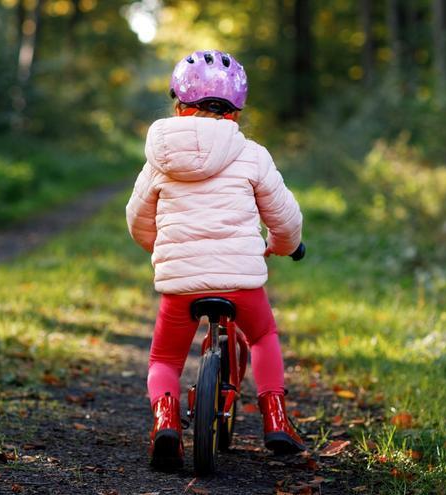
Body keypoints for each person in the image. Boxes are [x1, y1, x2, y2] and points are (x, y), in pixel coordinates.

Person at [126, 49, 305, 471]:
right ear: (236, 111)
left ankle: (165, 423)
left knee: (164, 360)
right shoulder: (252, 154)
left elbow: (137, 219)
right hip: (241, 283)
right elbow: (284, 216)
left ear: (178, 105)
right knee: (261, 336)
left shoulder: (160, 159)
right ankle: (275, 418)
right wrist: (285, 244)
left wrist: (158, 246)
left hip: (180, 286)